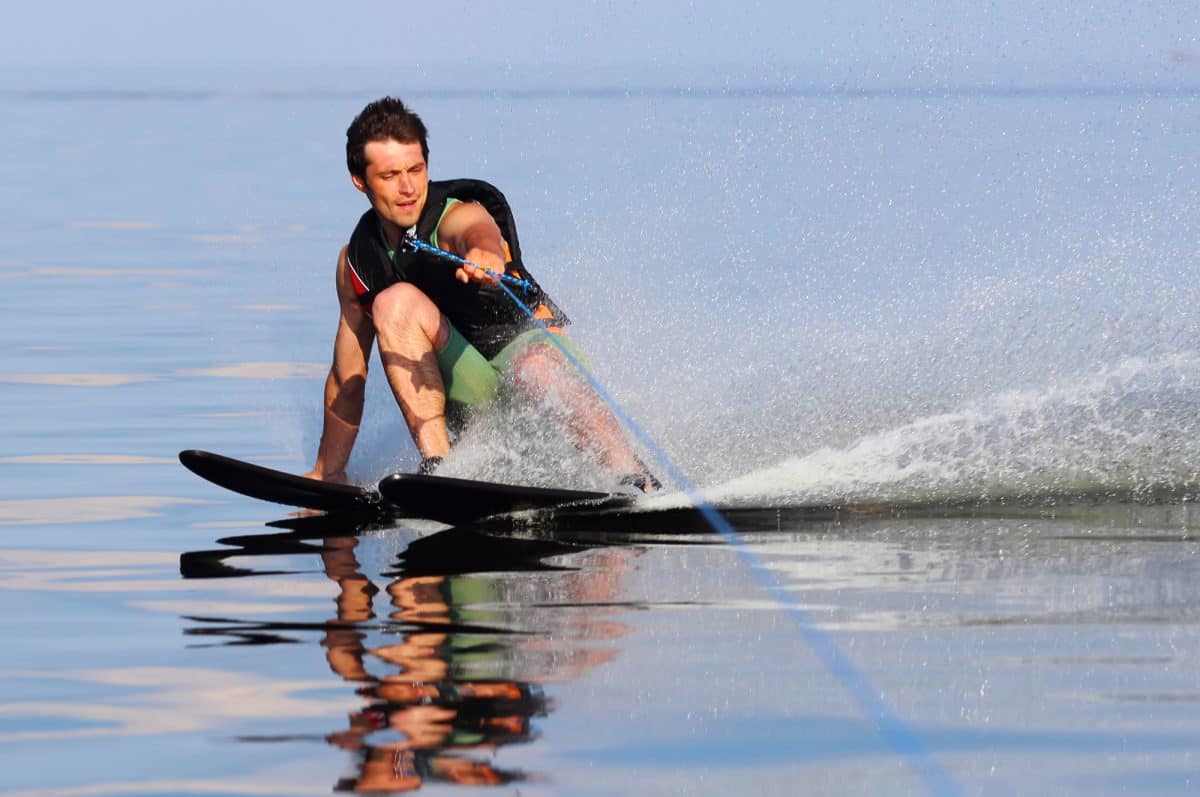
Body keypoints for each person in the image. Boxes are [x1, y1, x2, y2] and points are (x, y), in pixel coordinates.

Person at [303, 97, 658, 490]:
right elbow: (347, 379)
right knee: (393, 303)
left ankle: (633, 475)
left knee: (533, 366)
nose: (407, 188)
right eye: (389, 176)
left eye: (416, 170)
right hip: (477, 398)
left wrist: (484, 255)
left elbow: (478, 231)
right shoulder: (357, 264)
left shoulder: (455, 214)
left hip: (544, 382)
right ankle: (443, 474)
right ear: (360, 180)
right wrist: (326, 473)